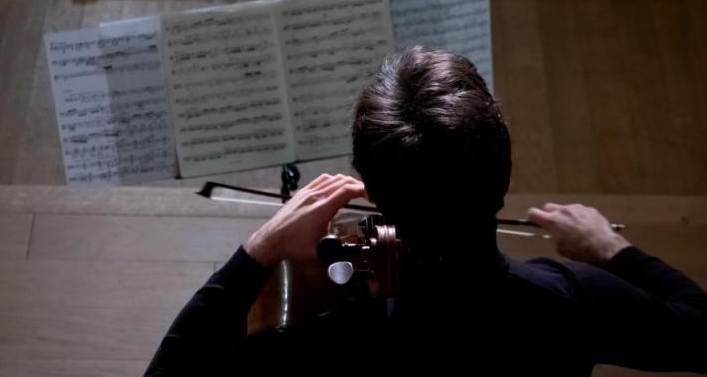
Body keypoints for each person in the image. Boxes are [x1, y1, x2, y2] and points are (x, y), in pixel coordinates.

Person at [144, 48, 707, 376]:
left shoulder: (327, 339)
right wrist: (613, 250)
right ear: (504, 176)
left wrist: (260, 248)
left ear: (372, 192)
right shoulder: (573, 300)